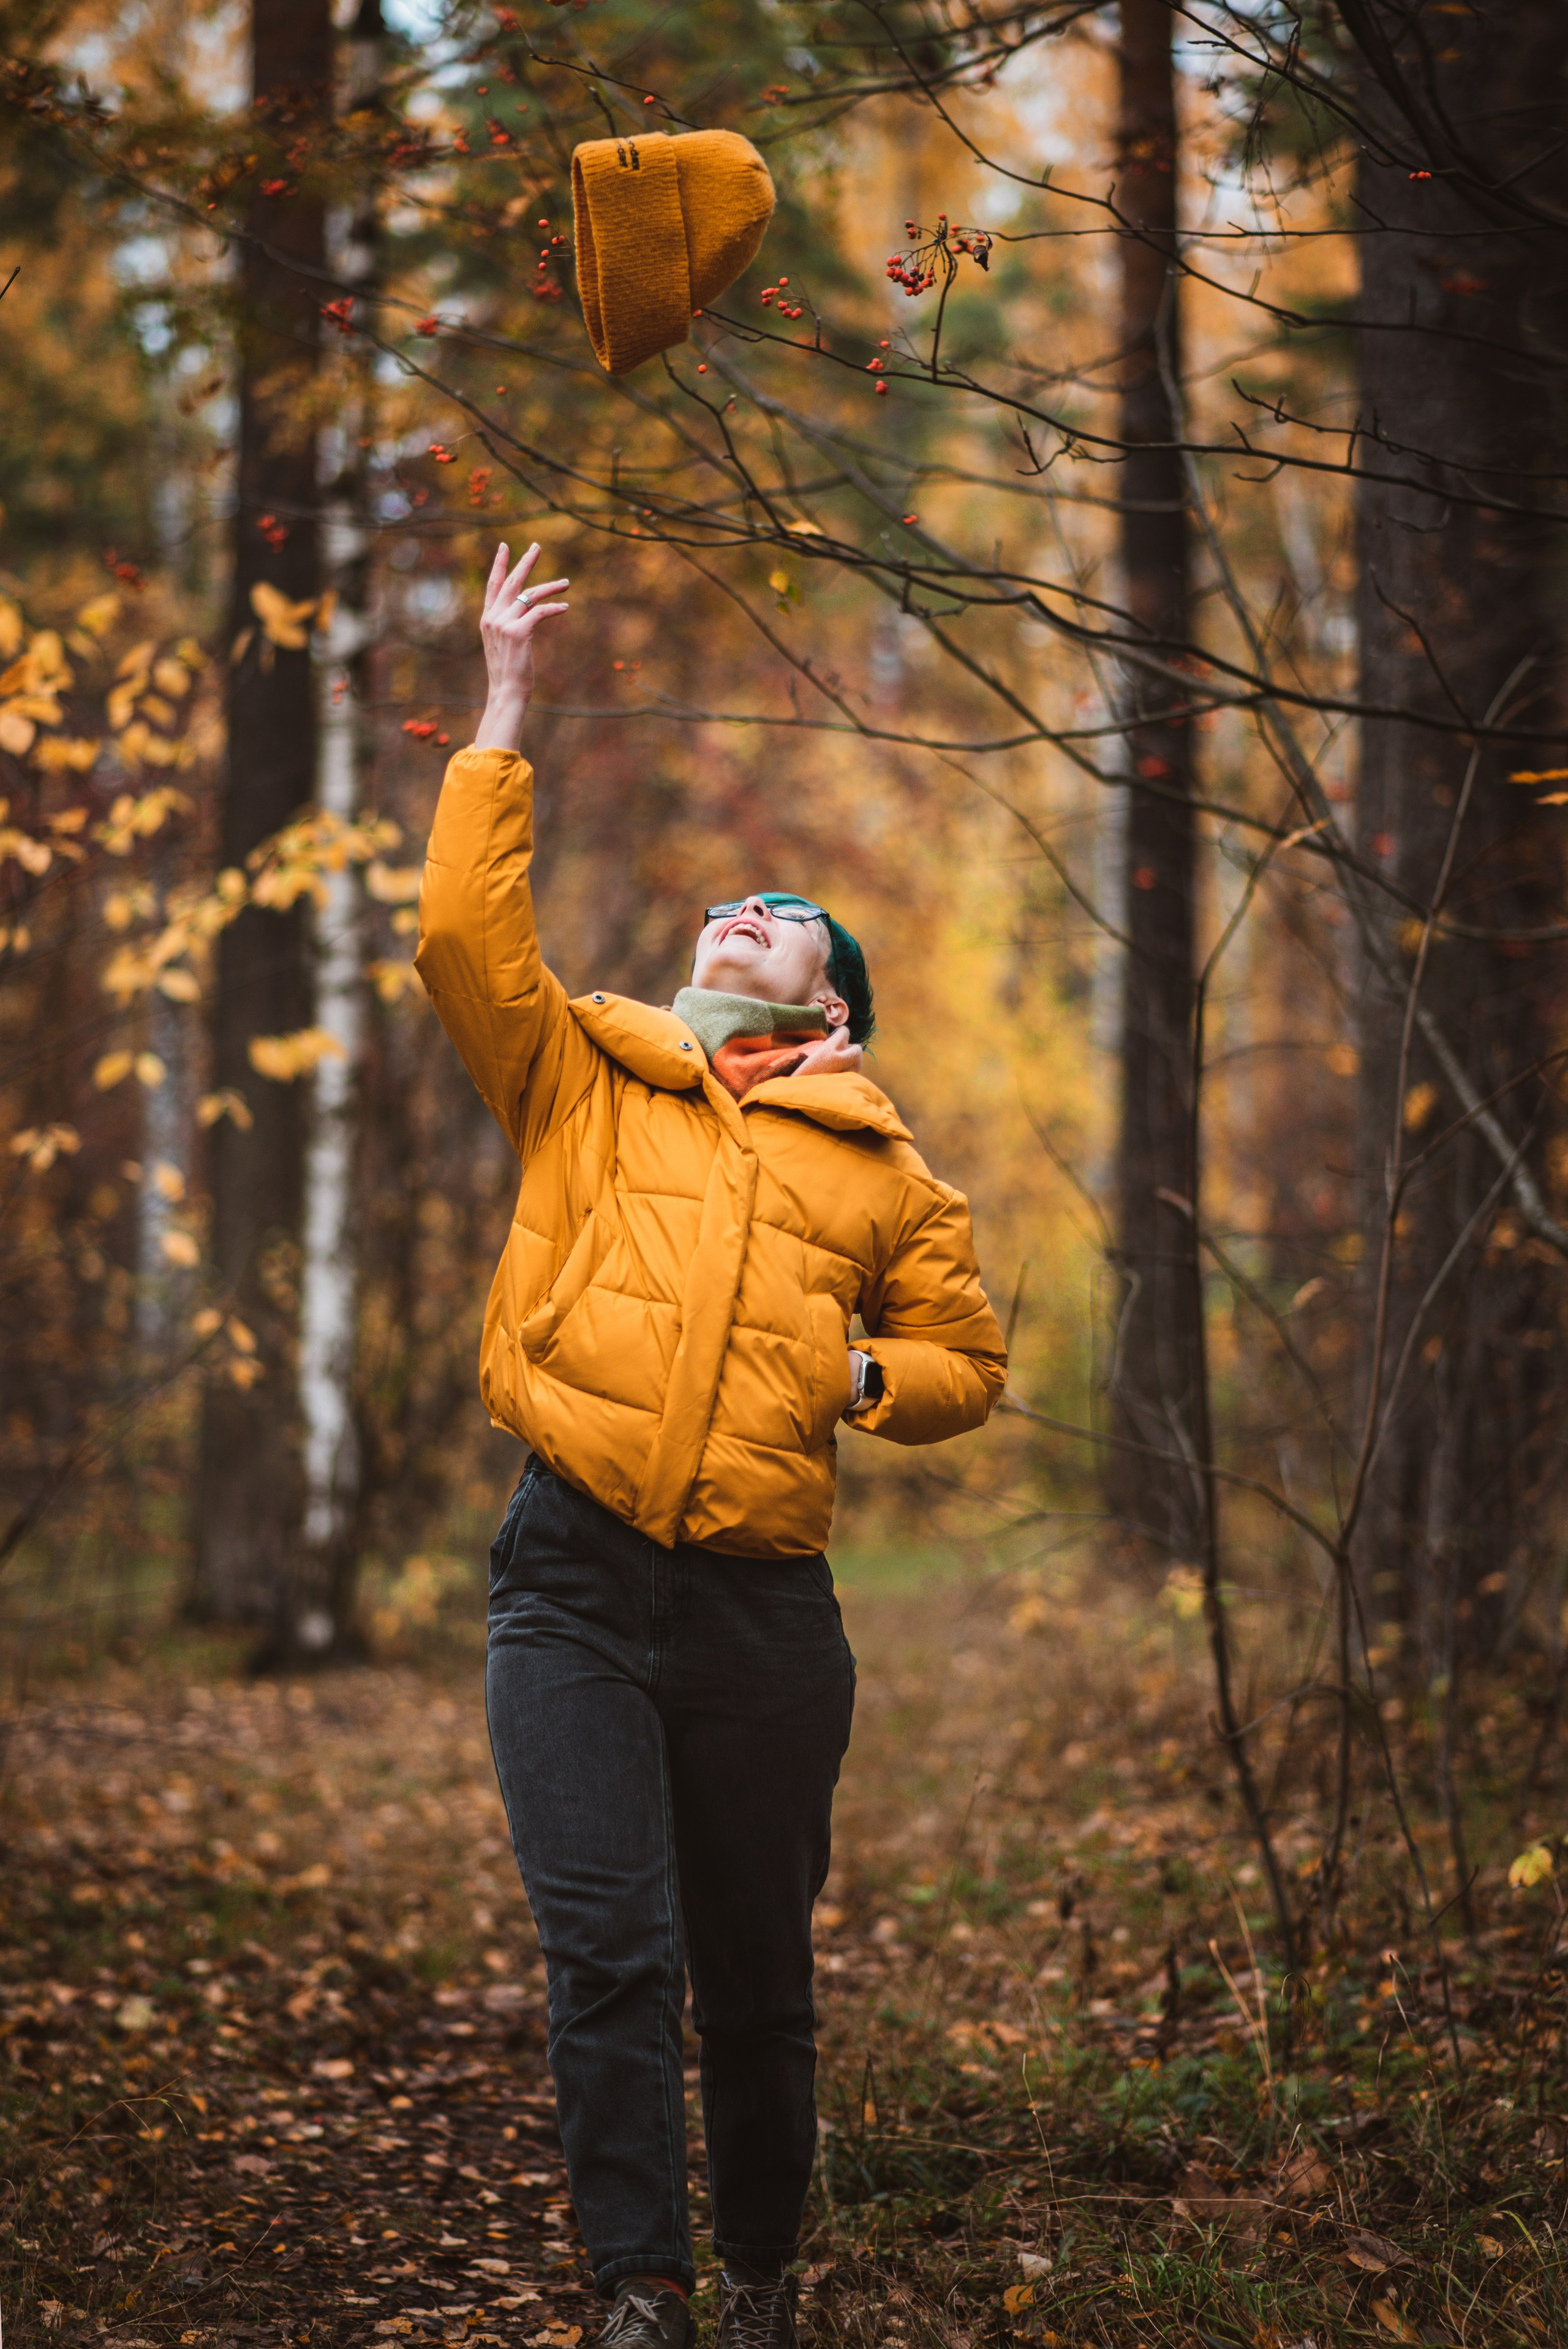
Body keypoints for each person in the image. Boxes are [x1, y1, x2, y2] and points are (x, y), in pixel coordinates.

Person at [415, 545, 1008, 2349]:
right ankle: (640, 2293)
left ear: (831, 1008)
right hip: (573, 1576)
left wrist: (867, 1384)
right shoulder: (591, 1070)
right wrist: (505, 703)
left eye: (784, 907)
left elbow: (968, 1355)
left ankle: (757, 2266)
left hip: (766, 1618)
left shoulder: (887, 1169)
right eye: (730, 903)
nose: (744, 907)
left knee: (751, 1980)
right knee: (608, 1949)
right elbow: (460, 938)